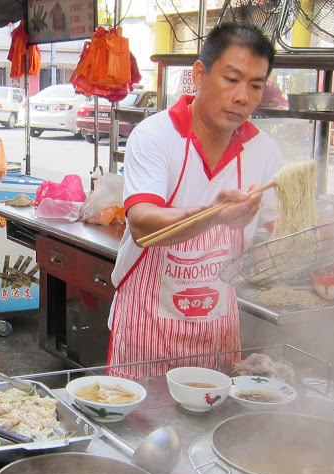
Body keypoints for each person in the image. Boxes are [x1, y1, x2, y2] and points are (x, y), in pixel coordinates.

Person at [107, 23, 282, 380]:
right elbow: (142, 225)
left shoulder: (263, 151)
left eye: (255, 85)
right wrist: (215, 214)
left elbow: (277, 233)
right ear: (200, 75)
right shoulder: (156, 136)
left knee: (211, 431)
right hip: (147, 331)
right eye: (231, 79)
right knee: (142, 433)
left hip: (217, 333)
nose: (242, 97)